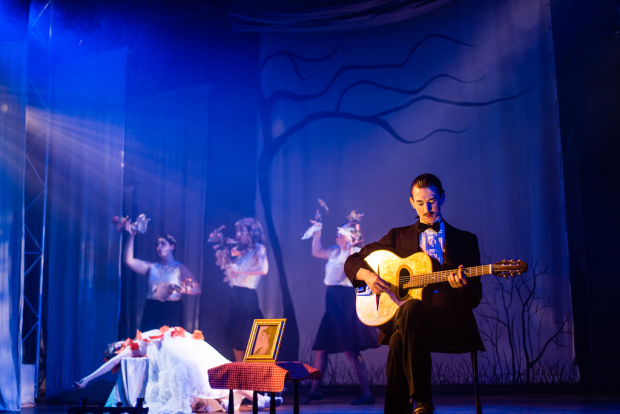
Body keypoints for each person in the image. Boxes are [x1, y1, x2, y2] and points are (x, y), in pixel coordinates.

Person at [344, 174, 484, 414]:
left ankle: (416, 404)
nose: (427, 208)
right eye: (420, 203)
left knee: (399, 337)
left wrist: (462, 287)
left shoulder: (466, 240)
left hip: (449, 323)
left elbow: (475, 297)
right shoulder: (398, 237)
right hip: (410, 323)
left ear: (442, 198)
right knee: (407, 318)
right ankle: (423, 404)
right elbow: (352, 260)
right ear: (412, 203)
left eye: (432, 201)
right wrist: (367, 276)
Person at [73, 327, 280, 413]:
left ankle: (244, 399)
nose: (119, 344)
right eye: (116, 348)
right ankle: (254, 399)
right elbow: (110, 364)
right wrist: (87, 378)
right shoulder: (131, 350)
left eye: (117, 344)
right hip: (175, 348)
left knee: (215, 368)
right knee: (209, 373)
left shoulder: (136, 341)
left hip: (183, 341)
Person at [302, 213, 379, 406]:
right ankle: (315, 391)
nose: (337, 236)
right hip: (332, 305)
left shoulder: (356, 254)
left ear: (349, 236)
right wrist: (317, 231)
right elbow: (316, 251)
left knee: (351, 350)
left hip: (346, 304)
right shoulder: (335, 251)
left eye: (341, 233)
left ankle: (367, 393)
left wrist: (353, 244)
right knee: (320, 349)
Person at [124, 223, 201, 331]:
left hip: (172, 309)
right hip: (152, 308)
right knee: (150, 338)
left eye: (163, 244)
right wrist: (132, 236)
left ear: (172, 247)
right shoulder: (151, 267)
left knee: (171, 339)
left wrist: (181, 289)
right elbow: (128, 261)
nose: (159, 247)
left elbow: (197, 288)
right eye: (157, 245)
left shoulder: (179, 268)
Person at [223, 218, 269, 362]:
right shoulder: (245, 252)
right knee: (237, 339)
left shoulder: (259, 248)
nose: (239, 234)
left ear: (251, 232)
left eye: (242, 230)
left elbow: (263, 269)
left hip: (247, 296)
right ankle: (239, 371)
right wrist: (231, 268)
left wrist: (239, 270)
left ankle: (254, 371)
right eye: (238, 231)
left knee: (249, 337)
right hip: (236, 296)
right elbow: (237, 276)